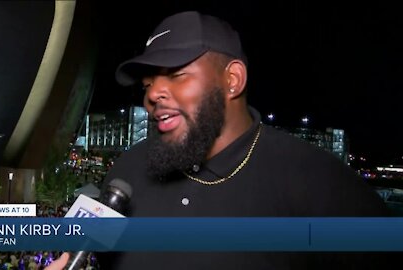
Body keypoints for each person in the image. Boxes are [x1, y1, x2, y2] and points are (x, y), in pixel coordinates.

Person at [47, 10, 397, 270]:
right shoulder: (126, 173)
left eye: (176, 75)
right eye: (147, 85)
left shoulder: (321, 183)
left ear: (233, 79)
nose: (153, 94)